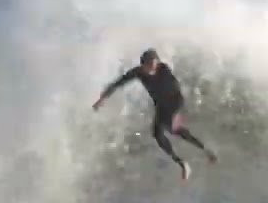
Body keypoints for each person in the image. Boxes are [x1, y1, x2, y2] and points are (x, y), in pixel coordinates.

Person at [92, 49, 217, 182]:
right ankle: (184, 163)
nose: (152, 67)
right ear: (143, 65)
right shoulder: (138, 72)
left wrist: (176, 113)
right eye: (149, 65)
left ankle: (204, 151)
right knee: (158, 134)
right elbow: (117, 83)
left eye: (154, 63)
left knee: (173, 128)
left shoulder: (163, 69)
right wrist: (102, 99)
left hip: (175, 102)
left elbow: (176, 89)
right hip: (161, 106)